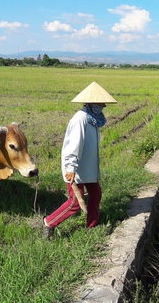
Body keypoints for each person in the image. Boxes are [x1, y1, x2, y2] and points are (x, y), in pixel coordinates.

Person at [43, 82, 117, 239]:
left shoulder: (93, 119)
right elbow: (73, 146)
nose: (104, 106)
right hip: (75, 169)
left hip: (88, 168)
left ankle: (92, 226)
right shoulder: (80, 119)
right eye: (101, 103)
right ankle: (49, 222)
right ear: (92, 103)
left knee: (95, 194)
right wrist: (70, 167)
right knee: (74, 203)